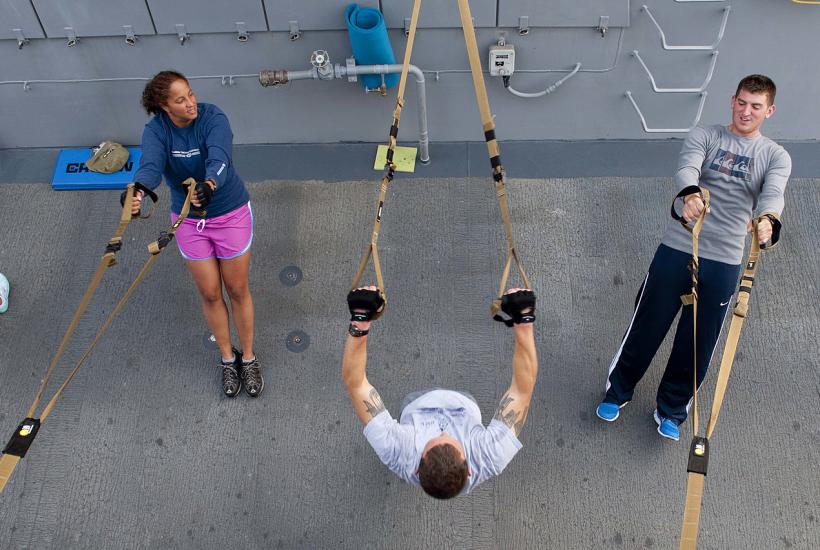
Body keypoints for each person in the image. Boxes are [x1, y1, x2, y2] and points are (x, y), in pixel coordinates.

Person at [596, 74, 791, 440]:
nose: (747, 111)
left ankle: (671, 409)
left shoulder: (775, 156)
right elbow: (688, 166)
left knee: (698, 339)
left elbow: (773, 194)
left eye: (756, 106)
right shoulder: (707, 135)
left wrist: (767, 222)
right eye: (742, 102)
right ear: (732, 101)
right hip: (679, 247)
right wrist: (689, 193)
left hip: (725, 259)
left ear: (769, 111)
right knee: (647, 323)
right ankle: (617, 391)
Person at [129, 70, 262, 398]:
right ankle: (227, 359)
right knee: (211, 294)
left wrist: (210, 184)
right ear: (164, 105)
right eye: (180, 99)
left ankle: (249, 357)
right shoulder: (156, 131)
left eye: (190, 94)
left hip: (229, 212)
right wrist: (139, 190)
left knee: (237, 288)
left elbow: (220, 158)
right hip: (189, 220)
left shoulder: (212, 118)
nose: (191, 103)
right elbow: (150, 165)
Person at [342, 286, 538, 499]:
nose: (444, 430)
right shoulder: (489, 456)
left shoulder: (399, 452)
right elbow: (521, 391)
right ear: (470, 467)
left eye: (433, 439)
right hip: (464, 402)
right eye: (451, 439)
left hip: (417, 403)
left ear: (417, 468)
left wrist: (360, 321)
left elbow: (356, 384)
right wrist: (524, 321)